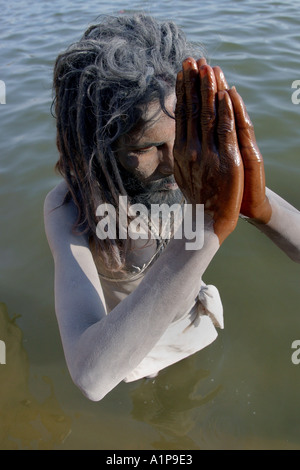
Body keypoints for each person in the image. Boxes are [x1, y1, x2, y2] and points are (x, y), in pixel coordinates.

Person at [44, 14, 300, 402]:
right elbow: (91, 375)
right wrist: (209, 225)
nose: (172, 163)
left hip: (189, 318)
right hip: (123, 340)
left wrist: (260, 207)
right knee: (155, 406)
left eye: (182, 137)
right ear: (96, 148)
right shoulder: (69, 208)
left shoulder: (197, 170)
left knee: (188, 398)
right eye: (144, 148)